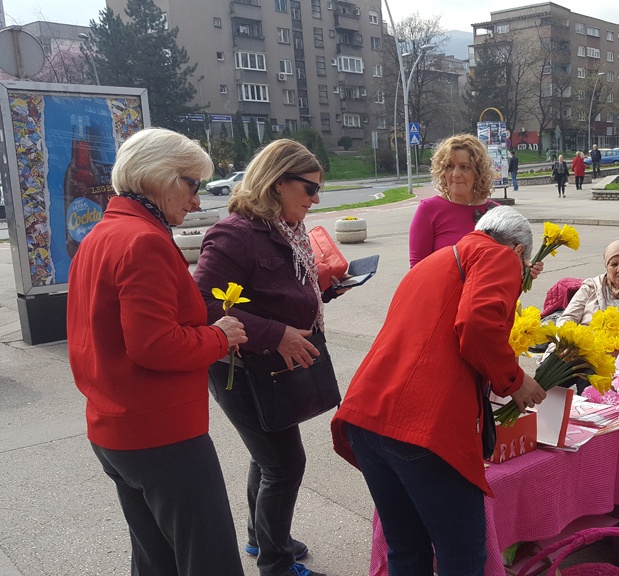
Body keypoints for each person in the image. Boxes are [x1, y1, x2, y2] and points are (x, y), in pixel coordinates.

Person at [66, 128, 248, 576]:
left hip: (115, 428)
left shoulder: (102, 234)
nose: (196, 201)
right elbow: (155, 345)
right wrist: (220, 336)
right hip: (161, 434)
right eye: (191, 185)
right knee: (208, 559)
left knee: (155, 559)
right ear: (159, 177)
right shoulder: (143, 240)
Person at [331, 206, 548, 575]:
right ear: (518, 250)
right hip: (421, 428)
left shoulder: (434, 262)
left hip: (367, 419)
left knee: (407, 550)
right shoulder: (500, 256)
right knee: (462, 556)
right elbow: (478, 325)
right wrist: (515, 381)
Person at [194, 139, 334, 576]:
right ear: (277, 185)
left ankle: (261, 538)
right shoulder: (234, 234)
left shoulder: (286, 230)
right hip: (242, 369)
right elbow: (204, 307)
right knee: (285, 464)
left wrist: (321, 293)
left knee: (269, 456)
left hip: (272, 369)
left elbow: (276, 292)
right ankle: (275, 563)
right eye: (309, 189)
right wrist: (275, 334)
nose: (315, 200)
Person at [408, 134, 500, 268]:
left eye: (464, 167)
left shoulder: (496, 212)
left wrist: (524, 271)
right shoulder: (429, 210)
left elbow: (505, 266)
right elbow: (417, 270)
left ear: (478, 172)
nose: (456, 174)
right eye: (449, 166)